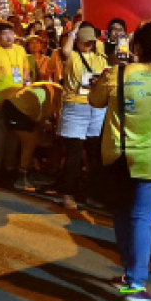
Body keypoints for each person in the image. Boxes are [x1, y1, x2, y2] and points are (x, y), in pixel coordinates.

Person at [89, 21, 151, 301]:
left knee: (121, 214)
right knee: (141, 218)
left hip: (119, 155)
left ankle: (131, 276)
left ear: (137, 46)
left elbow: (94, 100)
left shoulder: (116, 73)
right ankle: (135, 281)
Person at [56, 22, 109, 208]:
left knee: (94, 154)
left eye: (91, 41)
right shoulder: (72, 57)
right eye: (85, 41)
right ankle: (68, 194)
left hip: (96, 108)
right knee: (74, 154)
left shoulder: (100, 58)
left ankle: (91, 194)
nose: (89, 44)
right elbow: (65, 50)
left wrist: (96, 36)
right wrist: (73, 32)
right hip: (75, 107)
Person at [0, 21, 30, 178]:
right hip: (0, 98)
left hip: (18, 99)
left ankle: (10, 165)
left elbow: (26, 72)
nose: (9, 37)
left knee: (14, 134)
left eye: (11, 33)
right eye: (4, 34)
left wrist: (26, 89)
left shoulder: (20, 50)